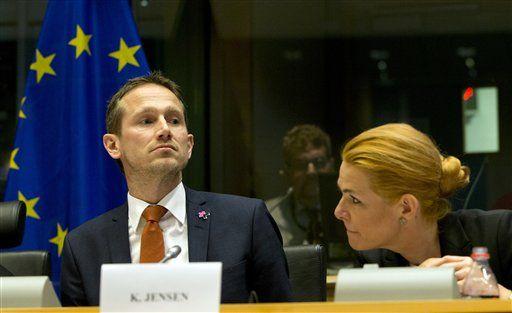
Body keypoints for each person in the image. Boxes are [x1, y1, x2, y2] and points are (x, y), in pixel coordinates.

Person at [60, 72, 291, 306]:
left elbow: (285, 310)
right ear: (113, 145)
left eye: (174, 120)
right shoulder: (82, 246)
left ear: (188, 145)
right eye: (147, 121)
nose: (164, 130)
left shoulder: (246, 221)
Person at [334, 123, 512, 299]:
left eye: (355, 200)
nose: (338, 211)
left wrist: (499, 294)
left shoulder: (499, 233)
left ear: (406, 208)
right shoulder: (371, 261)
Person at [266, 124, 335, 246]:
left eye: (319, 162)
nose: (311, 172)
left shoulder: (354, 211)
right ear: (287, 172)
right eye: (301, 164)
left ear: (331, 165)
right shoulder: (268, 217)